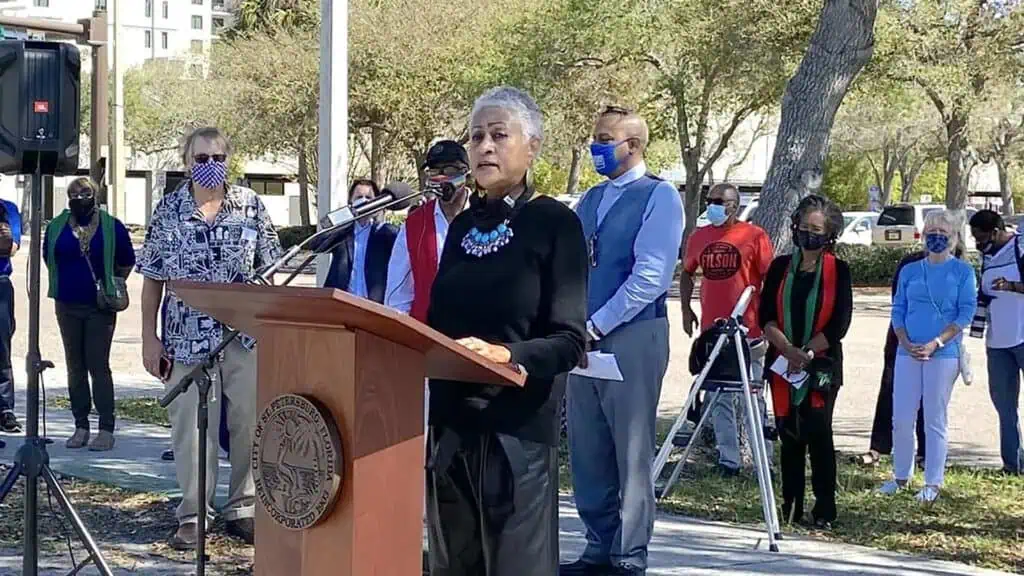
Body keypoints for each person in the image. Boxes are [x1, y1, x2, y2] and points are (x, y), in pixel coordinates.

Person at [425, 86, 587, 576]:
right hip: (450, 425)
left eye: (499, 135)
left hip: (515, 429)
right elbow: (438, 323)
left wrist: (505, 354)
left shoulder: (555, 223)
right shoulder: (461, 226)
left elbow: (569, 342)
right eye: (476, 137)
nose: (484, 147)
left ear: (532, 146)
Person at [137, 126, 281, 549]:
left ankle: (244, 507)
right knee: (190, 429)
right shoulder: (169, 211)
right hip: (186, 338)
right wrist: (150, 338)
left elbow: (272, 269)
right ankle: (193, 514)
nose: (211, 166)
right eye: (202, 159)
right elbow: (152, 279)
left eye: (219, 157)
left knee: (249, 423)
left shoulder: (250, 206)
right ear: (187, 163)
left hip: (244, 338)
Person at [562, 105, 683, 576]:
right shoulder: (591, 199)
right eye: (595, 137)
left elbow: (650, 275)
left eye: (605, 138)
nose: (597, 147)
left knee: (630, 449)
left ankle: (629, 554)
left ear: (633, 145)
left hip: (632, 335)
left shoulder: (659, 196)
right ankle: (597, 546)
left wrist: (598, 325)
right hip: (582, 338)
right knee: (588, 446)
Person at [760, 195, 852, 528]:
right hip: (783, 363)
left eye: (815, 229)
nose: (806, 233)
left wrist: (806, 353)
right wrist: (787, 349)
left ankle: (825, 508)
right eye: (802, 226)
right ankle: (791, 506)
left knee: (818, 432)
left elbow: (839, 323)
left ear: (829, 235)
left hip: (821, 365)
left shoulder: (837, 270)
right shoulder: (781, 266)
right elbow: (765, 315)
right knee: (789, 433)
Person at [681, 182, 774, 476]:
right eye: (710, 200)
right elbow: (686, 273)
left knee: (753, 396)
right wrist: (686, 309)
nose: (713, 206)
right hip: (713, 332)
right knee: (719, 396)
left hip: (749, 331)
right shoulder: (699, 237)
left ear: (734, 205)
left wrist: (771, 321)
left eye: (719, 201)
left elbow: (770, 279)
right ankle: (728, 459)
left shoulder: (754, 236)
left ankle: (763, 460)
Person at [882, 209, 976, 503]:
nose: (935, 237)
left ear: (954, 238)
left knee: (934, 418)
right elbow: (898, 308)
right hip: (907, 351)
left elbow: (966, 312)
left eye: (942, 233)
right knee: (901, 416)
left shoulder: (963, 272)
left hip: (943, 353)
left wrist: (937, 342)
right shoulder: (911, 270)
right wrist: (904, 340)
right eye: (931, 231)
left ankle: (933, 482)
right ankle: (900, 476)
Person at [44, 177, 135, 451]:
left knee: (98, 365)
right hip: (66, 304)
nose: (79, 196)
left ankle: (106, 428)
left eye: (85, 192)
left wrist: (108, 285)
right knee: (75, 366)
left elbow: (127, 261)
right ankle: (80, 425)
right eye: (74, 193)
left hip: (100, 308)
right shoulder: (57, 226)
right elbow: (50, 258)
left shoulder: (111, 226)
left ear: (95, 195)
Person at [857, 251, 928, 468]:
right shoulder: (910, 262)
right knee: (890, 390)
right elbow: (898, 301)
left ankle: (926, 453)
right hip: (901, 335)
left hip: (935, 340)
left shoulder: (954, 267)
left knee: (929, 397)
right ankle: (878, 447)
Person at [385, 140, 470, 320]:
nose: (441, 178)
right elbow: (397, 295)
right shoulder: (414, 224)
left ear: (466, 173)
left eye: (449, 171)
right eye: (434, 171)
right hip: (426, 336)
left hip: (477, 338)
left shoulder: (485, 215)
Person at [969, 209, 1024, 475]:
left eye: (982, 238)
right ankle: (1013, 465)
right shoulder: (986, 257)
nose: (979, 244)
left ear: (996, 231)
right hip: (998, 342)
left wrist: (1012, 286)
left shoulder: (1020, 247)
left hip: (1022, 336)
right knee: (1005, 407)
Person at [323, 179, 399, 303]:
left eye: (369, 197)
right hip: (341, 302)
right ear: (351, 202)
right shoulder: (342, 232)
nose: (364, 201)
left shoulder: (386, 232)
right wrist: (343, 217)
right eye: (359, 197)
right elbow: (317, 244)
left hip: (374, 304)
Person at [0, 193, 20, 438]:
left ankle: (5, 409)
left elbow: (11, 247)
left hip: (1, 283)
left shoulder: (8, 209)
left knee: (1, 349)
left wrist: (6, 241)